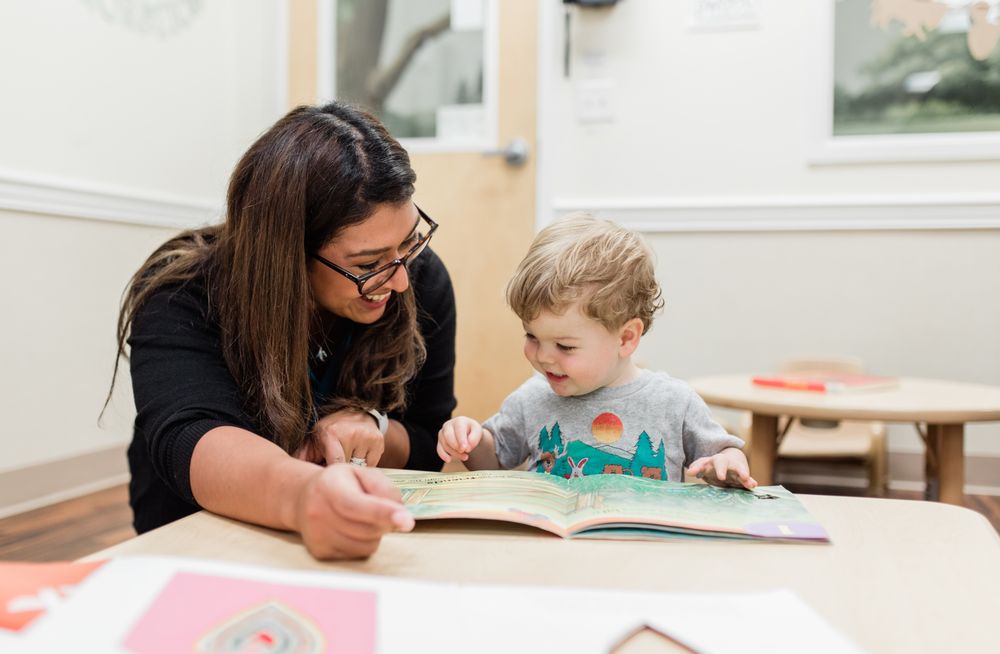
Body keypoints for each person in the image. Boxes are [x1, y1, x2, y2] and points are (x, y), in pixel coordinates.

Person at [112, 101, 457, 559]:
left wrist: (372, 426)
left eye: (410, 241)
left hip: (352, 533)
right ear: (289, 254)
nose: (399, 281)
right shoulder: (182, 293)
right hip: (196, 532)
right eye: (367, 264)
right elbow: (195, 438)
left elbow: (430, 440)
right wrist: (306, 495)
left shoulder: (420, 277)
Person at [436, 214, 755, 489]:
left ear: (626, 338)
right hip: (555, 539)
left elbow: (726, 452)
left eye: (565, 346)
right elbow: (493, 462)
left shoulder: (673, 402)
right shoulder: (532, 398)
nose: (543, 357)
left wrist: (727, 464)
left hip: (645, 540)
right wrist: (469, 440)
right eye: (531, 336)